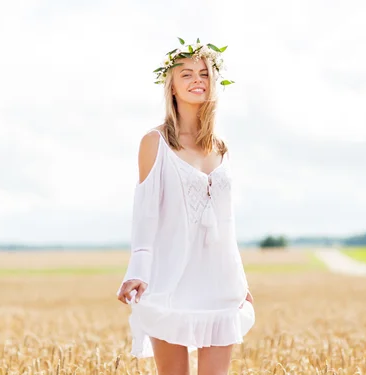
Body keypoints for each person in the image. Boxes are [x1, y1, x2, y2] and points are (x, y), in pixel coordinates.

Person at [116, 37, 255, 374]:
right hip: (170, 280)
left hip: (219, 282)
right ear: (172, 87)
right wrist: (137, 271)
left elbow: (227, 223)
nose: (197, 80)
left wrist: (241, 281)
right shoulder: (155, 142)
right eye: (187, 74)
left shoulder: (222, 148)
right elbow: (145, 214)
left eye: (204, 73)